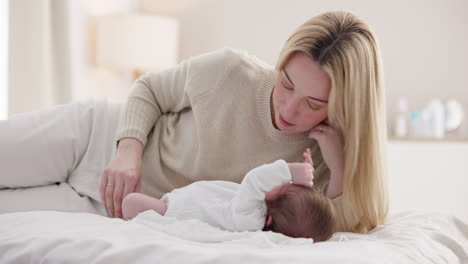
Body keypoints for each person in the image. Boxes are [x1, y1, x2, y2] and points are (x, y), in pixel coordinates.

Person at [0, 10, 387, 233]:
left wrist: (338, 168)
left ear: (343, 107)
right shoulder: (231, 71)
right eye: (286, 84)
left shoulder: (319, 159)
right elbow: (149, 89)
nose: (288, 110)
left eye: (313, 103)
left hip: (109, 207)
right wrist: (128, 151)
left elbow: (343, 228)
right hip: (92, 138)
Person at [122, 149, 337, 242]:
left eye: (282, 186)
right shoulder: (262, 213)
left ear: (269, 217)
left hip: (175, 211)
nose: (280, 182)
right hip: (186, 198)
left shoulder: (249, 219)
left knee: (131, 202)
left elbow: (255, 179)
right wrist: (303, 174)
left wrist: (289, 170)